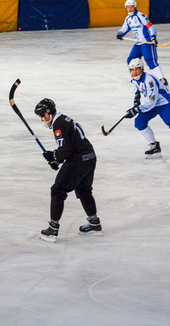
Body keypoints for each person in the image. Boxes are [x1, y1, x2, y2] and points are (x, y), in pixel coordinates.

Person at [34, 99, 101, 243]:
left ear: (48, 112)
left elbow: (65, 150)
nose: (41, 120)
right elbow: (70, 146)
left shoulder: (58, 124)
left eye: (42, 116)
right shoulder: (65, 120)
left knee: (58, 190)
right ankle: (94, 223)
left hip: (79, 161)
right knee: (84, 191)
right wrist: (56, 159)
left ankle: (53, 229)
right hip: (89, 157)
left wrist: (54, 156)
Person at [116, 0, 168, 88]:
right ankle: (139, 78)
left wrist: (153, 38)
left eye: (131, 7)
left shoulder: (141, 16)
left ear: (135, 7)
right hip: (138, 44)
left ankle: (162, 81)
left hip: (146, 43)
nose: (129, 9)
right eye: (128, 8)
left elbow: (151, 27)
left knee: (151, 62)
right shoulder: (128, 18)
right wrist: (120, 33)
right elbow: (124, 28)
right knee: (131, 60)